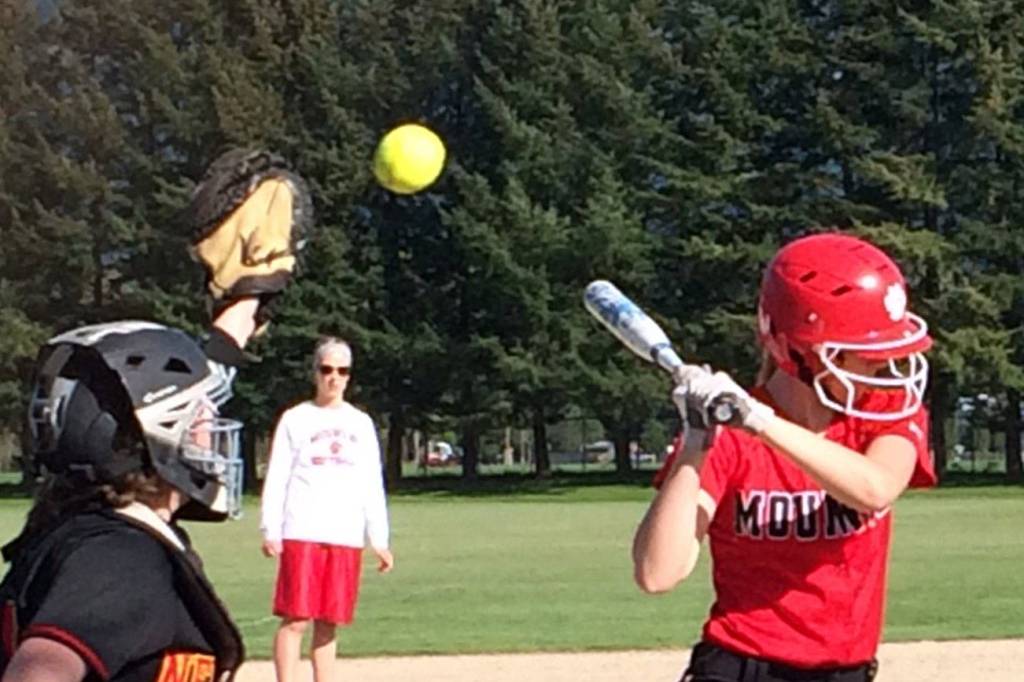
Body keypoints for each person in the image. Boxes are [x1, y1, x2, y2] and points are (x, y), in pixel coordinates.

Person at [0, 147, 311, 682]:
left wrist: (249, 300)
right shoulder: (118, 557)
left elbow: (208, 373)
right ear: (154, 431)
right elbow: (39, 674)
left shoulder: (87, 532)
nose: (209, 431)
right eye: (195, 417)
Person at [633, 233, 936, 682]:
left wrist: (758, 420)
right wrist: (698, 439)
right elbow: (658, 572)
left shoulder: (882, 411)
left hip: (845, 672)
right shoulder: (730, 437)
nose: (880, 367)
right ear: (795, 351)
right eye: (860, 354)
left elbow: (875, 489)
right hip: (740, 667)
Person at [260, 336, 394, 682]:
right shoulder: (296, 418)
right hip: (302, 528)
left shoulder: (360, 424)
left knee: (329, 621)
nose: (334, 377)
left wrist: (379, 537)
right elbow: (277, 476)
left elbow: (371, 483)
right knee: (296, 618)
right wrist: (270, 529)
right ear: (316, 373)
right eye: (327, 369)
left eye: (342, 371)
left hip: (345, 533)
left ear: (349, 376)